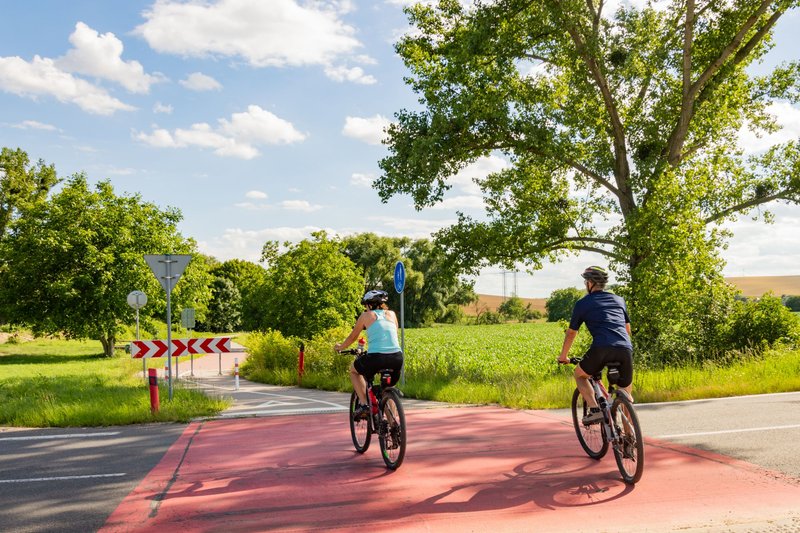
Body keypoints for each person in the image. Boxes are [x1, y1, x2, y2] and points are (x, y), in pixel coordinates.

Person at [557, 266, 633, 425]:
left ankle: (595, 410)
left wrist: (563, 356)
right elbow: (627, 330)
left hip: (601, 348)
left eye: (586, 281)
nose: (585, 283)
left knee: (580, 375)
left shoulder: (583, 303)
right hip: (625, 348)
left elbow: (571, 332)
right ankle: (630, 440)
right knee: (625, 393)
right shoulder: (619, 300)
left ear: (590, 283)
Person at [335, 289, 404, 419]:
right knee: (387, 389)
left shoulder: (366, 316)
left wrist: (340, 347)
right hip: (396, 357)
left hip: (376, 358)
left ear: (369, 304)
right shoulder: (392, 314)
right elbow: (391, 333)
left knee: (354, 371)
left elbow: (352, 338)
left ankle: (364, 404)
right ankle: (394, 424)